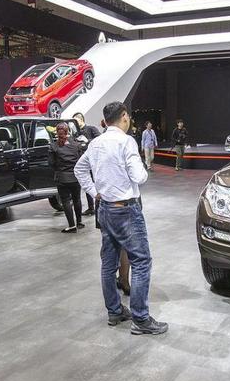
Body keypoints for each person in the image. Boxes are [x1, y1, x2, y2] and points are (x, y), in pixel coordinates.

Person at [75, 101, 168, 335]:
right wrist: (141, 169)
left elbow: (79, 169)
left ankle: (115, 311)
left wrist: (94, 191)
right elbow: (139, 176)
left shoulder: (95, 143)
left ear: (106, 120)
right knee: (141, 261)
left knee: (109, 264)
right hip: (126, 210)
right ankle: (141, 319)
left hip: (105, 209)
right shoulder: (126, 141)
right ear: (124, 116)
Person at [49, 122, 85, 233]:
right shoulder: (76, 145)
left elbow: (51, 163)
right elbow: (81, 161)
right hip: (75, 177)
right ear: (68, 131)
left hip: (62, 178)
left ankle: (72, 226)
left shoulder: (53, 146)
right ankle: (79, 222)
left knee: (65, 201)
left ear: (56, 132)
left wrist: (58, 169)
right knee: (77, 199)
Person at [72, 112, 101, 216]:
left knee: (96, 183)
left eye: (76, 120)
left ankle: (98, 205)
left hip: (94, 160)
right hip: (83, 160)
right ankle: (91, 207)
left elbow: (100, 140)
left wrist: (87, 141)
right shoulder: (76, 133)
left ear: (81, 119)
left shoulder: (91, 129)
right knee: (87, 184)